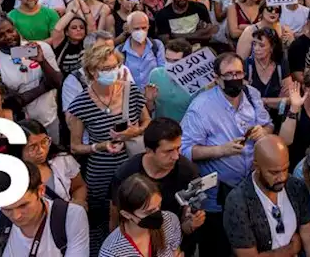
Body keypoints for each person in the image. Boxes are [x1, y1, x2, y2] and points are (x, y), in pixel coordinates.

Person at [179, 52, 274, 256]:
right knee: (218, 248)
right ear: (216, 78)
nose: (234, 79)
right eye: (228, 74)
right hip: (218, 198)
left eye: (238, 73)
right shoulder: (201, 107)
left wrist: (264, 131)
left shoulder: (252, 94)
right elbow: (184, 150)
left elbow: (269, 125)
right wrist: (221, 150)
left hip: (252, 190)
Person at [66, 43, 150, 252]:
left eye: (115, 66)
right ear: (92, 71)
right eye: (105, 69)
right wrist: (100, 146)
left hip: (132, 167)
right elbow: (75, 147)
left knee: (135, 215)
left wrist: (134, 132)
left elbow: (148, 122)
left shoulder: (131, 91)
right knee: (103, 224)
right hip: (100, 174)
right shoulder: (81, 103)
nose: (112, 72)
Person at [109, 118, 205, 249]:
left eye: (178, 148)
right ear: (149, 150)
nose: (176, 156)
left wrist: (192, 222)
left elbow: (186, 221)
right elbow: (115, 216)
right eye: (168, 151)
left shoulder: (188, 172)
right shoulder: (125, 174)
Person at [222, 135, 310, 257]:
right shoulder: (238, 202)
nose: (282, 177)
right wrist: (291, 249)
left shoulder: (295, 187)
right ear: (257, 167)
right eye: (274, 172)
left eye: (285, 169)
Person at [0, 161, 90, 257]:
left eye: (23, 205)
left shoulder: (71, 216)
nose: (16, 216)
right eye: (7, 209)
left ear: (41, 191)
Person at [0, 14, 63, 137]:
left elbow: (58, 82)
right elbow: (9, 102)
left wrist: (42, 62)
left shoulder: (41, 48)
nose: (8, 37)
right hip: (19, 128)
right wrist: (44, 87)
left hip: (50, 120)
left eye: (10, 31)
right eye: (1, 35)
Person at [99, 174, 184, 257]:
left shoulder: (170, 220)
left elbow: (176, 252)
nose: (158, 214)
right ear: (126, 214)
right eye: (149, 211)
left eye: (159, 205)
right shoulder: (111, 252)